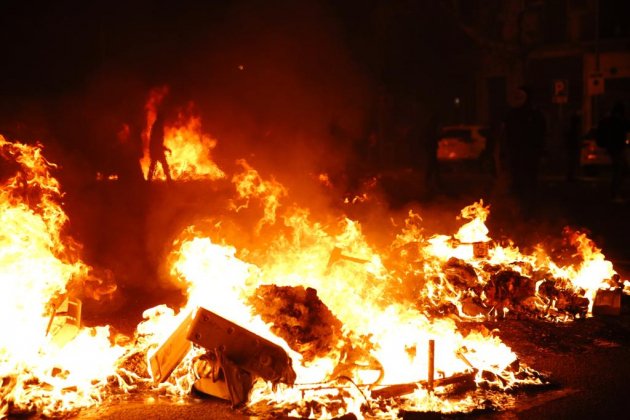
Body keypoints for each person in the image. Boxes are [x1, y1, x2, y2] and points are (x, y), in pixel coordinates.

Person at [502, 86, 546, 219]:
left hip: (530, 155)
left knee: (529, 184)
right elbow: (506, 135)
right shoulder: (511, 114)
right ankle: (517, 211)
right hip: (515, 155)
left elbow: (541, 134)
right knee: (516, 183)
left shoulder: (534, 114)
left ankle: (529, 212)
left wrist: (541, 152)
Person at [596, 101, 629, 201]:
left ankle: (615, 192)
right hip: (617, 147)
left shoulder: (609, 120)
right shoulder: (617, 121)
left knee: (621, 169)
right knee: (620, 170)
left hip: (614, 147)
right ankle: (615, 193)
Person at [147, 110, 172, 182]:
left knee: (154, 164)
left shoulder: (157, 125)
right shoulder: (158, 126)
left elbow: (157, 140)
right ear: (161, 118)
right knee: (163, 164)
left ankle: (149, 180)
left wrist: (165, 148)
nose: (164, 120)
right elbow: (156, 140)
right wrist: (164, 148)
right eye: (163, 118)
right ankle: (169, 181)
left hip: (156, 148)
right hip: (156, 149)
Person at [565, 109, 583, 182]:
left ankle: (571, 175)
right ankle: (571, 176)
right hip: (573, 147)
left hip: (572, 147)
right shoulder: (574, 130)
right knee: (572, 161)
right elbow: (575, 138)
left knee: (572, 161)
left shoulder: (572, 129)